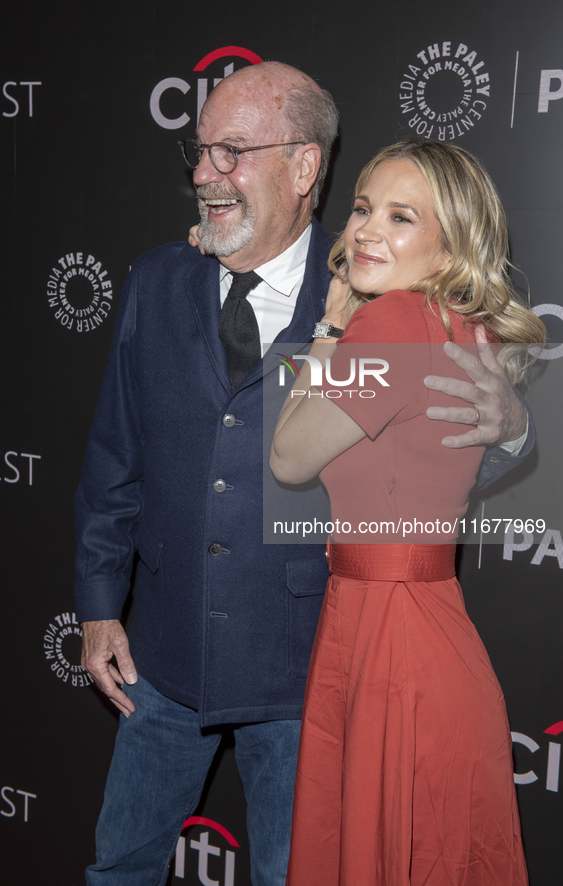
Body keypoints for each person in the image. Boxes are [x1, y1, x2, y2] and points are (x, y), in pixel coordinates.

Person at [75, 62, 534, 886]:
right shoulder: (157, 278)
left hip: (305, 664)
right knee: (119, 867)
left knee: (300, 871)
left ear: (302, 167)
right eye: (202, 150)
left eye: (232, 151)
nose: (205, 172)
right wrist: (101, 607)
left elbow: (447, 436)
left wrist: (514, 426)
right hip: (164, 654)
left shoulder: (374, 294)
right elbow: (116, 456)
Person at [270, 140, 545, 886]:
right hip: (415, 623)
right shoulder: (458, 324)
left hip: (389, 636)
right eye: (361, 208)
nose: (364, 230)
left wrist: (327, 332)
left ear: (449, 243)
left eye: (400, 217)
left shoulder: (390, 324)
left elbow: (288, 460)